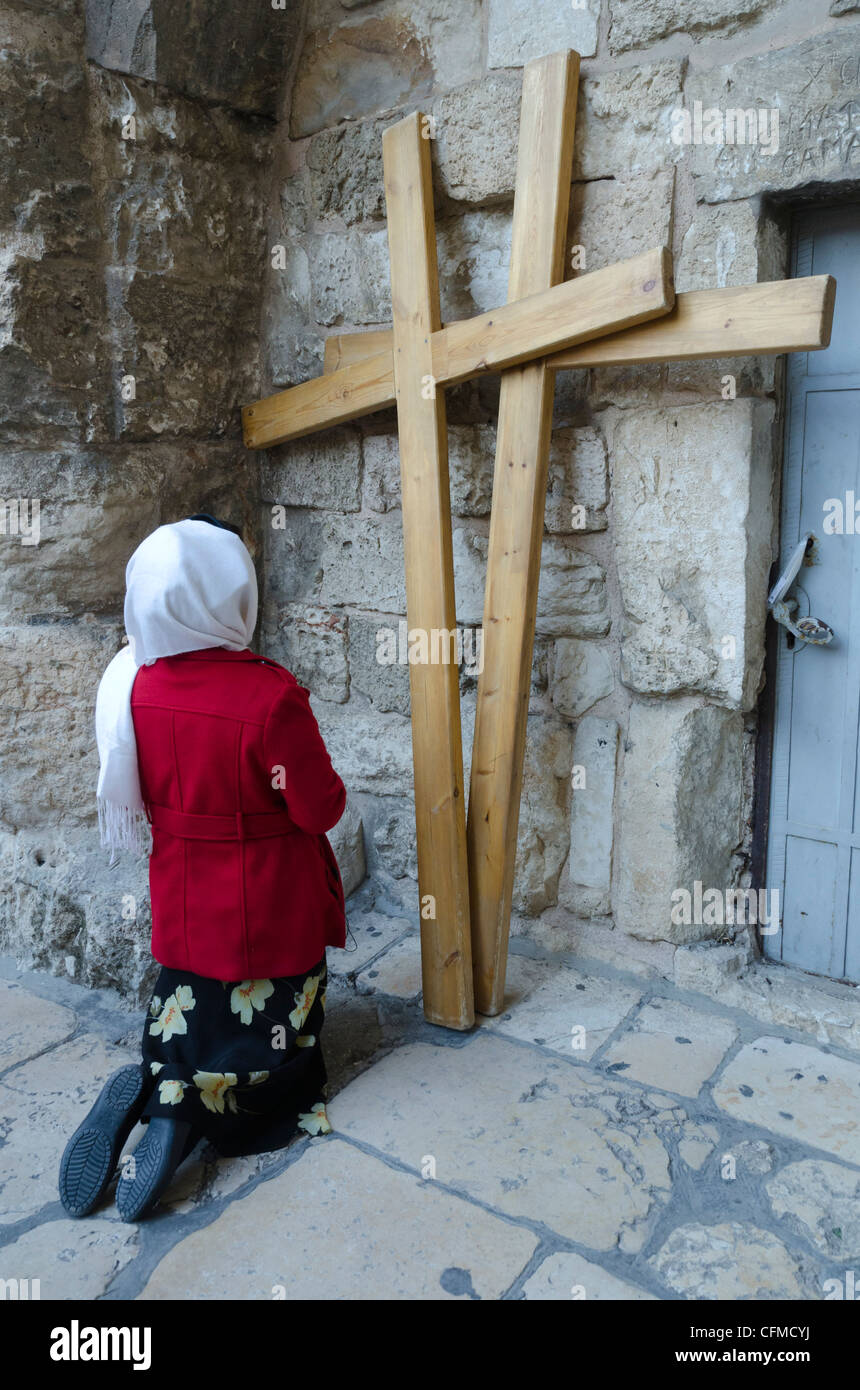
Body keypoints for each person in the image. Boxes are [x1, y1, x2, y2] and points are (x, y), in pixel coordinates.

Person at [58, 515, 347, 1221]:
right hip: (268, 903)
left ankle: (163, 1083)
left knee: (188, 997)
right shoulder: (271, 697)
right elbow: (320, 809)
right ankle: (203, 1116)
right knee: (275, 1025)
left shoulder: (134, 686)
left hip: (185, 903)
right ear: (234, 594)